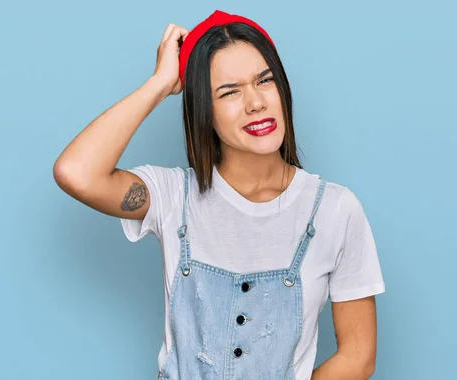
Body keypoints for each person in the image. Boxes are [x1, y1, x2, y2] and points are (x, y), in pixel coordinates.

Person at [53, 9, 385, 380]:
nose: (256, 102)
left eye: (265, 80)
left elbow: (358, 356)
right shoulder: (172, 197)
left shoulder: (335, 210)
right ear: (203, 111)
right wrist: (161, 83)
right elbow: (76, 173)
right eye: (230, 92)